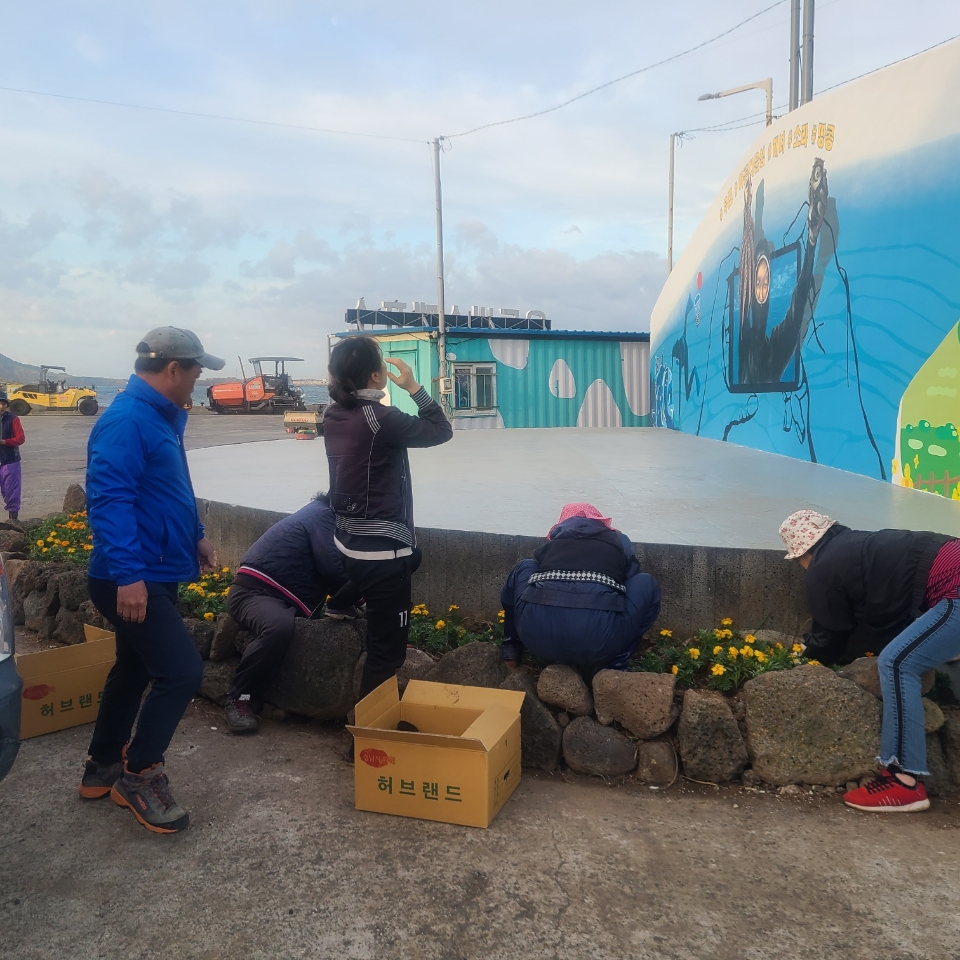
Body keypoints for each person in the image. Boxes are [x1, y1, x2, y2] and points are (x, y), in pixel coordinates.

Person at [79, 327, 224, 834]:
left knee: (134, 668)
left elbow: (171, 489)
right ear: (172, 370)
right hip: (131, 577)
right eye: (197, 372)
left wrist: (197, 537)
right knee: (182, 672)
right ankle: (139, 774)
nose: (199, 382)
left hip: (154, 569)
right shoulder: (127, 421)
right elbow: (109, 500)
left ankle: (101, 767)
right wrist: (128, 575)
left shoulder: (161, 416)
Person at [779, 509, 960, 813]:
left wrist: (803, 665)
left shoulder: (824, 567)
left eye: (798, 562)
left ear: (804, 553)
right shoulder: (862, 547)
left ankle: (904, 781)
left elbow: (829, 635)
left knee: (899, 663)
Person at [323, 336, 452, 757]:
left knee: (414, 555)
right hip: (382, 553)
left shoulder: (332, 412)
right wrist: (414, 386)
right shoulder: (380, 417)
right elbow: (441, 431)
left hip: (349, 541)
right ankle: (365, 737)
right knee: (387, 653)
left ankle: (340, 603)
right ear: (377, 376)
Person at [223, 494, 359, 733]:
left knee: (293, 630)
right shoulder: (323, 515)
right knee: (278, 627)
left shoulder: (326, 516)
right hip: (254, 592)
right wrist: (367, 592)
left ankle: (281, 700)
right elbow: (334, 567)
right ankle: (240, 699)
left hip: (280, 597)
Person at [499, 503, 661, 672]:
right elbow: (631, 578)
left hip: (535, 637)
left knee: (525, 565)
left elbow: (521, 591)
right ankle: (614, 665)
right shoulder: (619, 541)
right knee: (646, 582)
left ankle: (511, 649)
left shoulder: (552, 544)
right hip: (598, 642)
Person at [0, 391, 25, 521]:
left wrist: (6, 442)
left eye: (3, 403)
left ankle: (13, 521)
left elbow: (20, 438)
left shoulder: (13, 419)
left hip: (10, 461)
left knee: (12, 492)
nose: (1, 406)